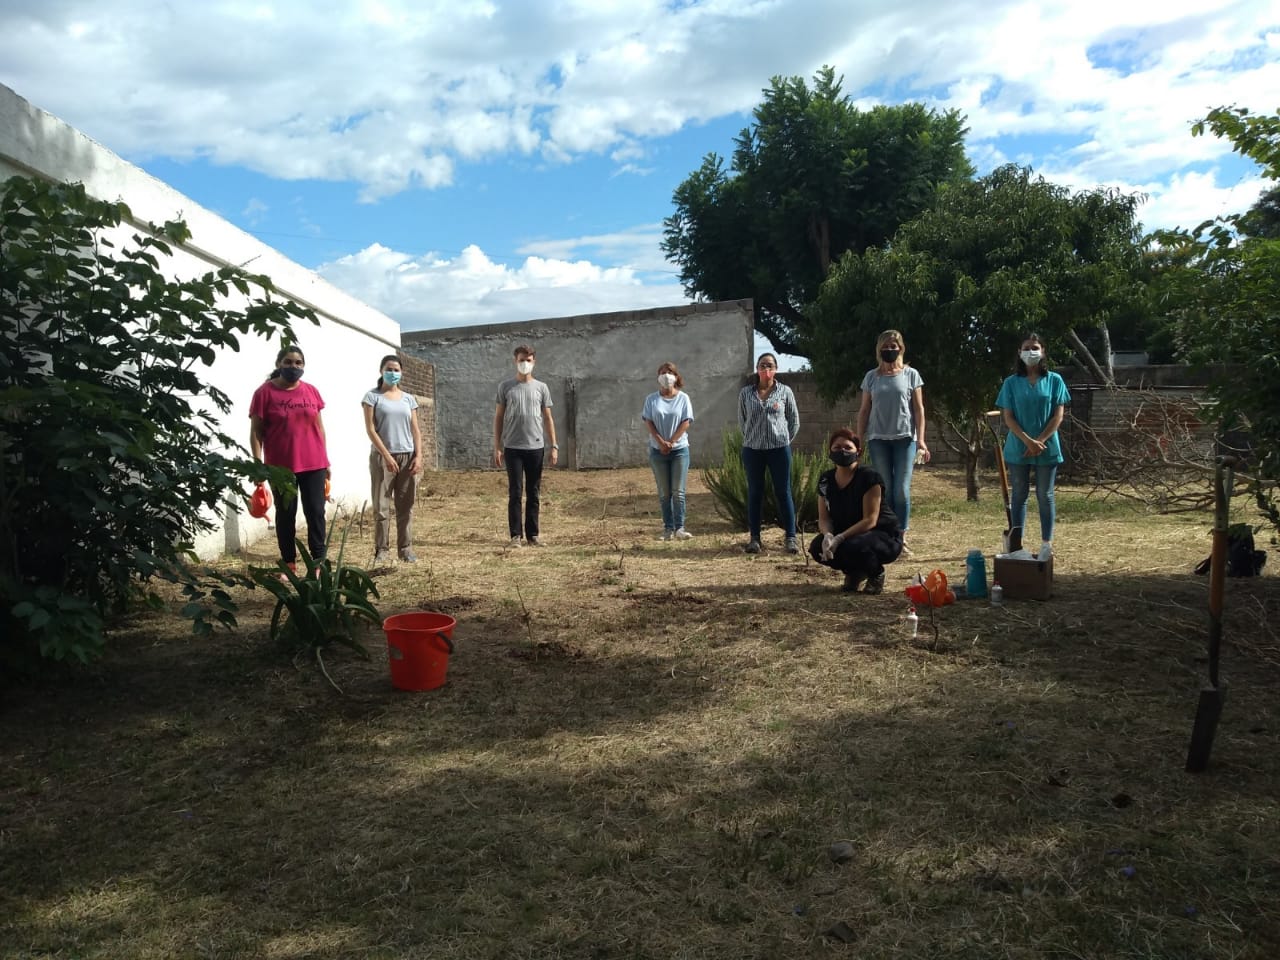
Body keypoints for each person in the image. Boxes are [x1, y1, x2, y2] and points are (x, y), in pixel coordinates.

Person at [249, 345, 329, 573]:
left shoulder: (311, 391)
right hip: (280, 467)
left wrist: (326, 461)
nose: (293, 366)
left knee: (316, 513)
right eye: (288, 362)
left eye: (298, 363)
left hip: (314, 463)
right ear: (279, 364)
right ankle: (289, 563)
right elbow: (256, 432)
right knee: (285, 515)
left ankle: (318, 564)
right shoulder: (264, 393)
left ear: (303, 366)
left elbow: (319, 428)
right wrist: (258, 465)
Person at [996, 333, 1071, 560]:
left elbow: (1058, 415)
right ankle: (1016, 545)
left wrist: (1041, 441)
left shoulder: (1055, 380)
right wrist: (1028, 440)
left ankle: (1047, 543)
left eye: (1035, 347)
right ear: (1019, 352)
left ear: (1043, 351)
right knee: (1019, 495)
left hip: (1047, 447)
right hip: (1018, 447)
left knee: (1045, 495)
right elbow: (1008, 417)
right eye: (1027, 348)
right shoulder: (1010, 383)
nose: (1031, 352)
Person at [856, 329, 928, 552]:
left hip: (905, 439)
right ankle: (888, 534)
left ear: (900, 348)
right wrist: (859, 439)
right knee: (884, 488)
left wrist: (921, 440)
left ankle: (901, 535)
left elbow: (919, 409)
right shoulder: (871, 377)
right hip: (878, 439)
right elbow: (864, 410)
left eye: (893, 346)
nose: (889, 350)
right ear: (879, 350)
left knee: (901, 491)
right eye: (885, 347)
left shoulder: (911, 375)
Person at [809, 428, 903, 593]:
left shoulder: (869, 477)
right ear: (830, 451)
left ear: (858, 451)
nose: (842, 451)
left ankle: (876, 573)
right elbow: (824, 518)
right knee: (817, 547)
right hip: (848, 533)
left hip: (882, 534)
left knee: (852, 546)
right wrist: (828, 535)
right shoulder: (826, 480)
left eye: (848, 447)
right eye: (837, 447)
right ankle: (855, 572)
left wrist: (841, 538)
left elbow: (870, 520)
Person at [494, 344, 558, 546]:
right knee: (515, 492)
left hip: (535, 448)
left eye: (528, 360)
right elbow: (499, 417)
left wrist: (554, 445)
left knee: (533, 492)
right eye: (521, 360)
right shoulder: (505, 387)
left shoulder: (542, 388)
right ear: (515, 361)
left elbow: (548, 418)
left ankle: (533, 535)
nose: (525, 363)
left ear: (534, 362)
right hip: (513, 448)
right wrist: (497, 446)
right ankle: (515, 536)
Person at [362, 354, 423, 564]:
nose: (393, 373)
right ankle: (382, 549)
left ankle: (405, 549)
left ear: (401, 372)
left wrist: (418, 456)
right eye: (389, 369)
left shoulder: (408, 399)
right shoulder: (372, 397)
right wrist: (386, 455)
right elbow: (371, 430)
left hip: (407, 456)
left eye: (396, 370)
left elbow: (415, 430)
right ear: (381, 371)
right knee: (382, 505)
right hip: (382, 457)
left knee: (405, 506)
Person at [739, 352, 800, 554]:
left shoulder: (785, 392)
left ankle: (791, 538)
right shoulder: (746, 393)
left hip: (779, 449)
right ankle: (755, 539)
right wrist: (752, 438)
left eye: (770, 365)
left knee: (783, 492)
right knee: (755, 492)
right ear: (757, 369)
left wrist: (783, 439)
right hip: (753, 450)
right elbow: (742, 421)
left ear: (775, 369)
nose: (766, 369)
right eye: (762, 365)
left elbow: (794, 421)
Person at [642, 361, 695, 541]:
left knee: (678, 492)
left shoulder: (683, 398)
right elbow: (648, 422)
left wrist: (671, 442)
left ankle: (680, 527)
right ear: (658, 377)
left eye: (669, 372)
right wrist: (661, 442)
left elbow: (686, 421)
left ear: (676, 376)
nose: (666, 376)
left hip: (679, 450)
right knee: (665, 493)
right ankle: (668, 529)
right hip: (658, 451)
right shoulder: (651, 399)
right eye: (662, 372)